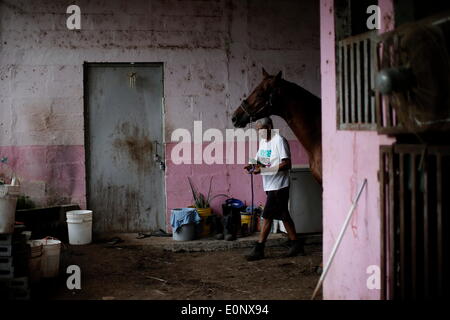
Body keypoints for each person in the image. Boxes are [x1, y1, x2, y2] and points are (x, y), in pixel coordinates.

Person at [243, 117, 304, 261]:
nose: (259, 133)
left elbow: (287, 164)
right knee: (284, 215)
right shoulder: (264, 141)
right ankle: (296, 244)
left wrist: (263, 171)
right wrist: (251, 165)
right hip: (269, 185)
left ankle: (259, 248)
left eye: (261, 130)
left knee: (267, 216)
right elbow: (262, 160)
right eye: (257, 130)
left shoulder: (279, 140)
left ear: (269, 127)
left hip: (279, 186)